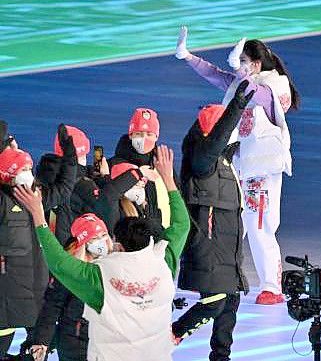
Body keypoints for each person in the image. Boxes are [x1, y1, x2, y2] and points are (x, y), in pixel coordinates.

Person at [13, 145, 189, 361]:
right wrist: (168, 179)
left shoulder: (99, 278)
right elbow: (182, 225)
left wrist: (38, 215)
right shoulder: (164, 261)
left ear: (117, 243)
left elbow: (58, 263)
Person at [176, 26, 300, 305]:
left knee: (259, 226)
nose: (239, 68)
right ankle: (219, 278)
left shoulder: (273, 87)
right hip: (240, 165)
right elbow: (216, 76)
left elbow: (255, 95)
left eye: (244, 61)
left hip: (262, 169)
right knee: (229, 224)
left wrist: (242, 75)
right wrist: (187, 57)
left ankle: (272, 286)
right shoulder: (245, 81)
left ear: (256, 64)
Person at [172, 81, 254, 361]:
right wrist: (236, 108)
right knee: (215, 301)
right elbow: (216, 139)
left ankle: (221, 357)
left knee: (230, 302)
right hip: (208, 250)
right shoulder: (202, 161)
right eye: (227, 130)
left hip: (227, 252)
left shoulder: (223, 162)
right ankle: (173, 334)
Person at [0, 124, 77, 359]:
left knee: (39, 350)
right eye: (22, 169)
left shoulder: (37, 197)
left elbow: (64, 188)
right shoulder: (2, 202)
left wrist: (70, 156)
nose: (28, 173)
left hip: (37, 292)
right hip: (8, 298)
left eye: (29, 168)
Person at [27, 214, 112, 361]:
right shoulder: (69, 269)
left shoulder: (118, 263)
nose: (102, 242)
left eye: (104, 235)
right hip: (75, 342)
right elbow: (52, 306)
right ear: (84, 242)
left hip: (109, 341)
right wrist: (41, 341)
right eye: (94, 238)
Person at [108, 108, 171, 230]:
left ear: (157, 136)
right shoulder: (114, 165)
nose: (144, 138)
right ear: (131, 135)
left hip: (163, 236)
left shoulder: (163, 165)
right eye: (139, 134)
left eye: (149, 134)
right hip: (128, 238)